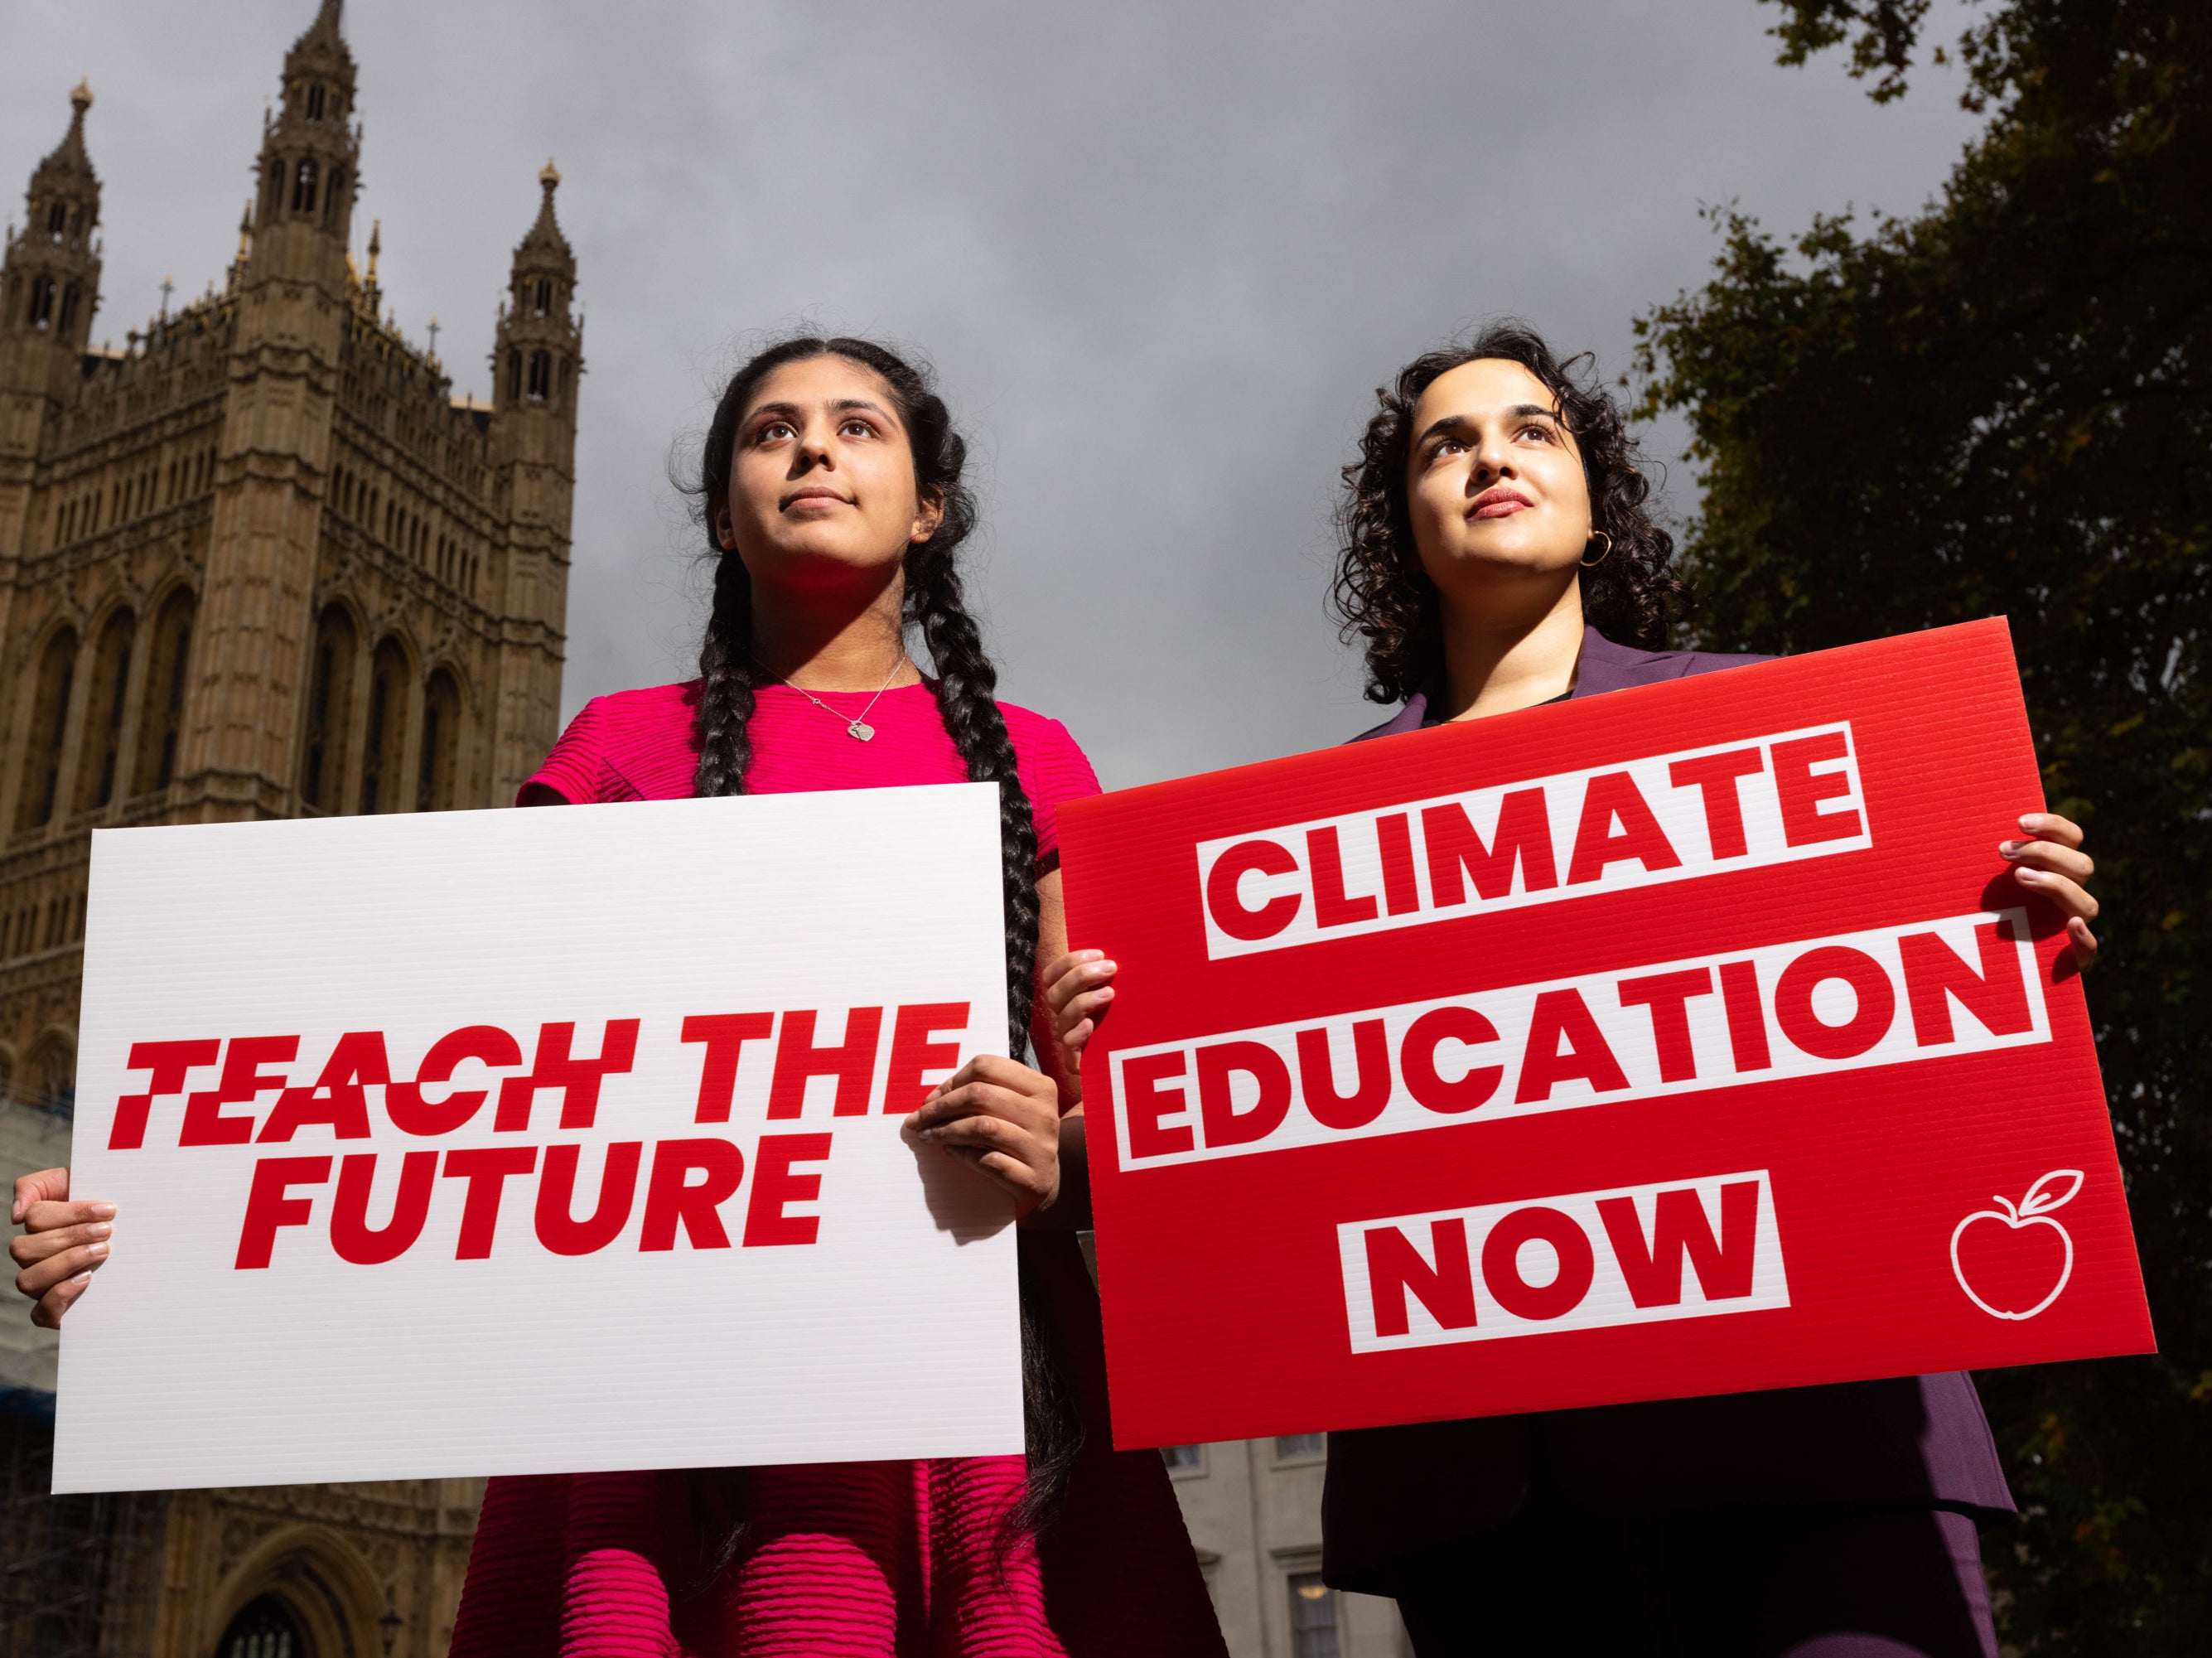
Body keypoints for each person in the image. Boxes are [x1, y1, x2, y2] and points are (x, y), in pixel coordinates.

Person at [13, 335, 1224, 1658]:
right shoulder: (618, 746)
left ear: (929, 505)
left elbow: (1146, 1131)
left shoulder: (1038, 762)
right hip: (676, 1420)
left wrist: (1052, 1147)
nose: (813, 448)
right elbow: (450, 1077)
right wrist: (155, 1223)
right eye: (771, 431)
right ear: (720, 506)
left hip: (986, 1404)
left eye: (857, 427)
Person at [1043, 323, 2103, 1658]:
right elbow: (1241, 1162)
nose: (1491, 454)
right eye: (1446, 443)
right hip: (1499, 1518)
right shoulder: (1278, 860)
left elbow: (1927, 1062)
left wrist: (2016, 937)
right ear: (1401, 524)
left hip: (1825, 1465)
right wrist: (1132, 1079)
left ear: (1595, 498)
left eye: (1530, 429)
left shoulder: (1791, 728)